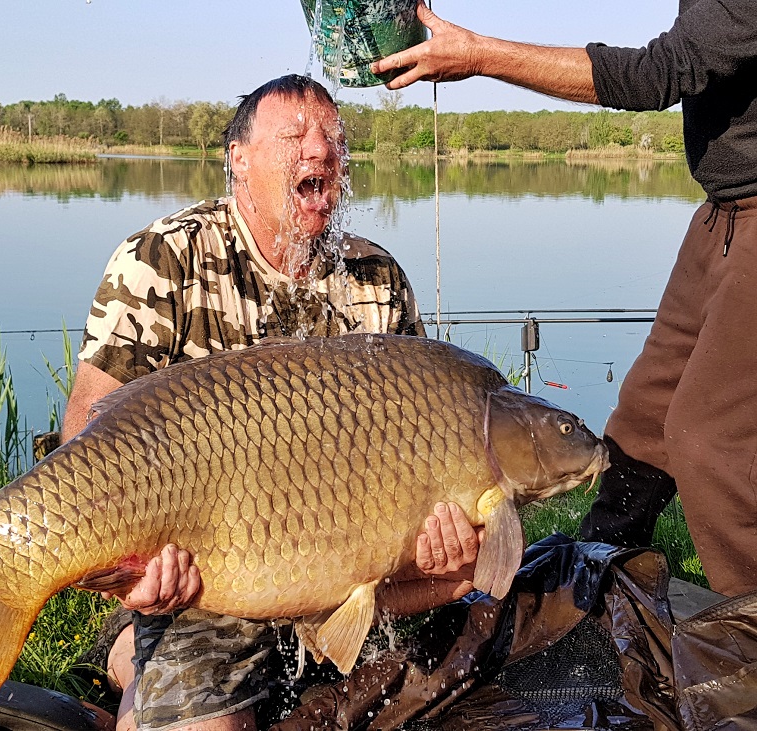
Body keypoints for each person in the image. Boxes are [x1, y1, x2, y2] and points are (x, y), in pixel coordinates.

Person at [61, 74, 483, 731]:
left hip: (345, 569)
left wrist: (443, 540)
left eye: (333, 140)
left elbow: (426, 445)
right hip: (200, 582)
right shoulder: (163, 259)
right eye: (294, 136)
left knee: (476, 568)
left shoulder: (374, 279)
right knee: (191, 703)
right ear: (239, 159)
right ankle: (134, 661)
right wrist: (128, 570)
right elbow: (88, 431)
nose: (319, 150)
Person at [371, 1, 757, 596]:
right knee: (641, 423)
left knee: (708, 444)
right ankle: (593, 591)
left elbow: (658, 74)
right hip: (722, 214)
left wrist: (477, 55)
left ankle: (745, 638)